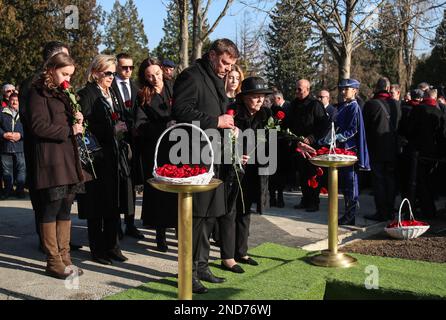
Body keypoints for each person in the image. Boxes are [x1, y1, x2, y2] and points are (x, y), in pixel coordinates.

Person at [172, 38, 240, 294]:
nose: (227, 68)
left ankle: (201, 267)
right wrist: (216, 121)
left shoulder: (214, 78)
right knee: (195, 218)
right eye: (224, 62)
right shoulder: (192, 76)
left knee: (209, 216)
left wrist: (229, 126)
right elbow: (180, 111)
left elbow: (221, 113)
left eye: (231, 64)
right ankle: (187, 273)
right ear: (212, 56)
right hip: (193, 155)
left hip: (214, 156)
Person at [18, 41, 82, 252]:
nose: (68, 78)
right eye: (64, 67)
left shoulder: (60, 89)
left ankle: (62, 250)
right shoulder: (34, 86)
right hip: (45, 152)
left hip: (65, 153)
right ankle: (49, 249)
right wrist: (66, 130)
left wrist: (76, 116)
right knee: (48, 204)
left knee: (64, 205)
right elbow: (36, 124)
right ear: (52, 63)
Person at [77, 55, 133, 265]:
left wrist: (121, 127)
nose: (112, 77)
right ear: (95, 72)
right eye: (107, 73)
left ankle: (112, 246)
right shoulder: (86, 94)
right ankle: (97, 248)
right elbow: (85, 128)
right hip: (96, 158)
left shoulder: (113, 93)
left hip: (113, 155)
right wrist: (111, 130)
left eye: (113, 73)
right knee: (96, 204)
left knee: (112, 202)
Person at [219, 77, 272, 274]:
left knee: (245, 211)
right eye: (255, 97)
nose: (260, 101)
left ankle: (241, 251)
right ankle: (227, 257)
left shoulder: (266, 114)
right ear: (244, 98)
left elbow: (271, 139)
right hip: (232, 170)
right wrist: (233, 153)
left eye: (262, 97)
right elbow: (219, 140)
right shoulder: (232, 111)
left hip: (254, 171)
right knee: (230, 211)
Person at [135, 58, 177, 252]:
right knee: (160, 193)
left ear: (163, 71)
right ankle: (160, 235)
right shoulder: (142, 95)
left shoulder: (174, 88)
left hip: (179, 147)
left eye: (157, 74)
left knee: (178, 190)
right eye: (150, 76)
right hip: (157, 150)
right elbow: (139, 126)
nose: (155, 78)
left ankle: (179, 229)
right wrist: (163, 126)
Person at [321, 79, 370, 226]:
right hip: (341, 148)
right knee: (344, 184)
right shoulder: (344, 106)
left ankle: (351, 216)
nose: (342, 92)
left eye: (346, 89)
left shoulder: (354, 106)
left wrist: (337, 137)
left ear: (355, 90)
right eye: (341, 89)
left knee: (351, 183)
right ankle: (348, 215)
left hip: (349, 149)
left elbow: (353, 129)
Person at [112, 53, 145, 240]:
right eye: (124, 67)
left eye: (131, 68)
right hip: (117, 140)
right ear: (116, 67)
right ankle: (116, 225)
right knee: (118, 183)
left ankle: (130, 223)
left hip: (133, 141)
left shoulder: (135, 88)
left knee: (131, 183)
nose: (128, 71)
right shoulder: (111, 86)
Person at [284, 79, 330, 212]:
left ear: (308, 90)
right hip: (298, 145)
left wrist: (311, 138)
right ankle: (305, 199)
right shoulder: (293, 105)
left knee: (312, 174)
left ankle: (313, 202)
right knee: (302, 174)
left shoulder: (315, 104)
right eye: (296, 89)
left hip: (312, 146)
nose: (297, 92)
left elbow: (324, 125)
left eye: (300, 89)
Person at [362, 77, 400, 222]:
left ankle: (381, 212)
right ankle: (390, 210)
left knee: (378, 181)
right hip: (392, 148)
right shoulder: (396, 104)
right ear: (389, 88)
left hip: (376, 149)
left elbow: (365, 128)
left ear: (377, 88)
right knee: (390, 180)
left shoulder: (371, 104)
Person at [407, 89, 446, 217]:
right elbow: (442, 136)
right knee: (429, 181)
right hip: (433, 153)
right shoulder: (439, 113)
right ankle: (429, 207)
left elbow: (409, 129)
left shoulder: (418, 110)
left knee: (419, 181)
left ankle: (425, 209)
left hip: (418, 151)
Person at [0, 93, 26, 199]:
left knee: (21, 170)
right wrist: (3, 134)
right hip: (6, 146)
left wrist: (20, 135)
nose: (14, 102)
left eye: (16, 100)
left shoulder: (24, 113)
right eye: (12, 100)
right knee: (7, 171)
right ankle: (8, 191)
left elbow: (29, 127)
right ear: (9, 101)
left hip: (20, 147)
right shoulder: (2, 112)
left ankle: (20, 191)